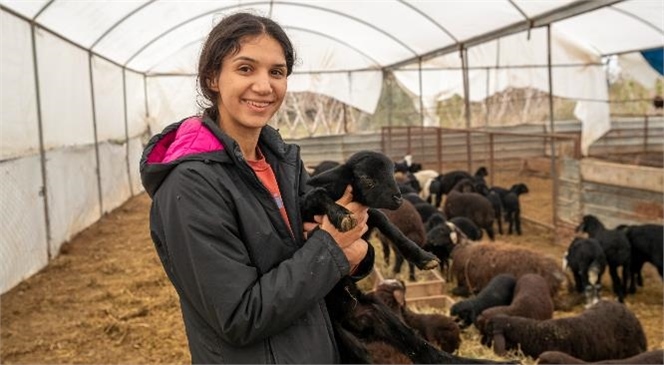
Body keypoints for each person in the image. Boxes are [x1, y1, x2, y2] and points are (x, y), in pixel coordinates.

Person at [139, 12, 374, 364]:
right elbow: (239, 315)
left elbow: (316, 255)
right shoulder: (189, 187)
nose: (264, 86)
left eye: (276, 72)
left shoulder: (283, 163)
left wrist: (356, 256)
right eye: (246, 68)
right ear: (212, 78)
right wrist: (333, 249)